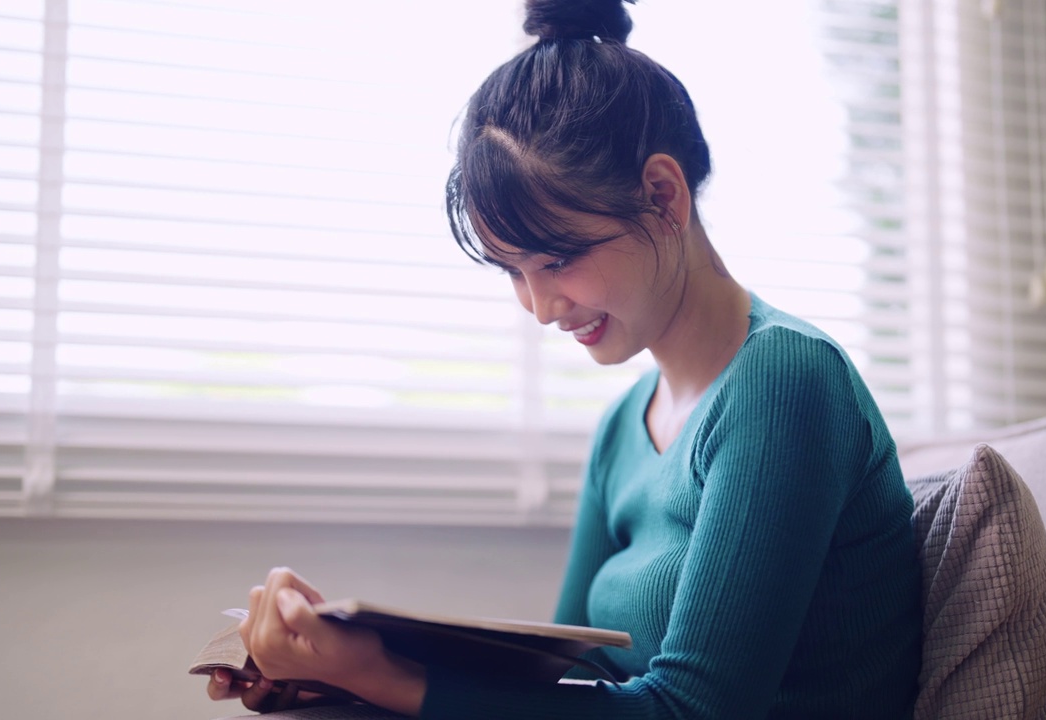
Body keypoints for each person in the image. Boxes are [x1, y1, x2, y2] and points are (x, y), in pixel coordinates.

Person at [207, 0, 922, 717]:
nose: (540, 306)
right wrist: (339, 673)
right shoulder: (622, 429)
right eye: (513, 271)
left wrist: (384, 679)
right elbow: (562, 679)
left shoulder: (784, 383)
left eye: (558, 258)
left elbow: (694, 711)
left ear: (662, 196)